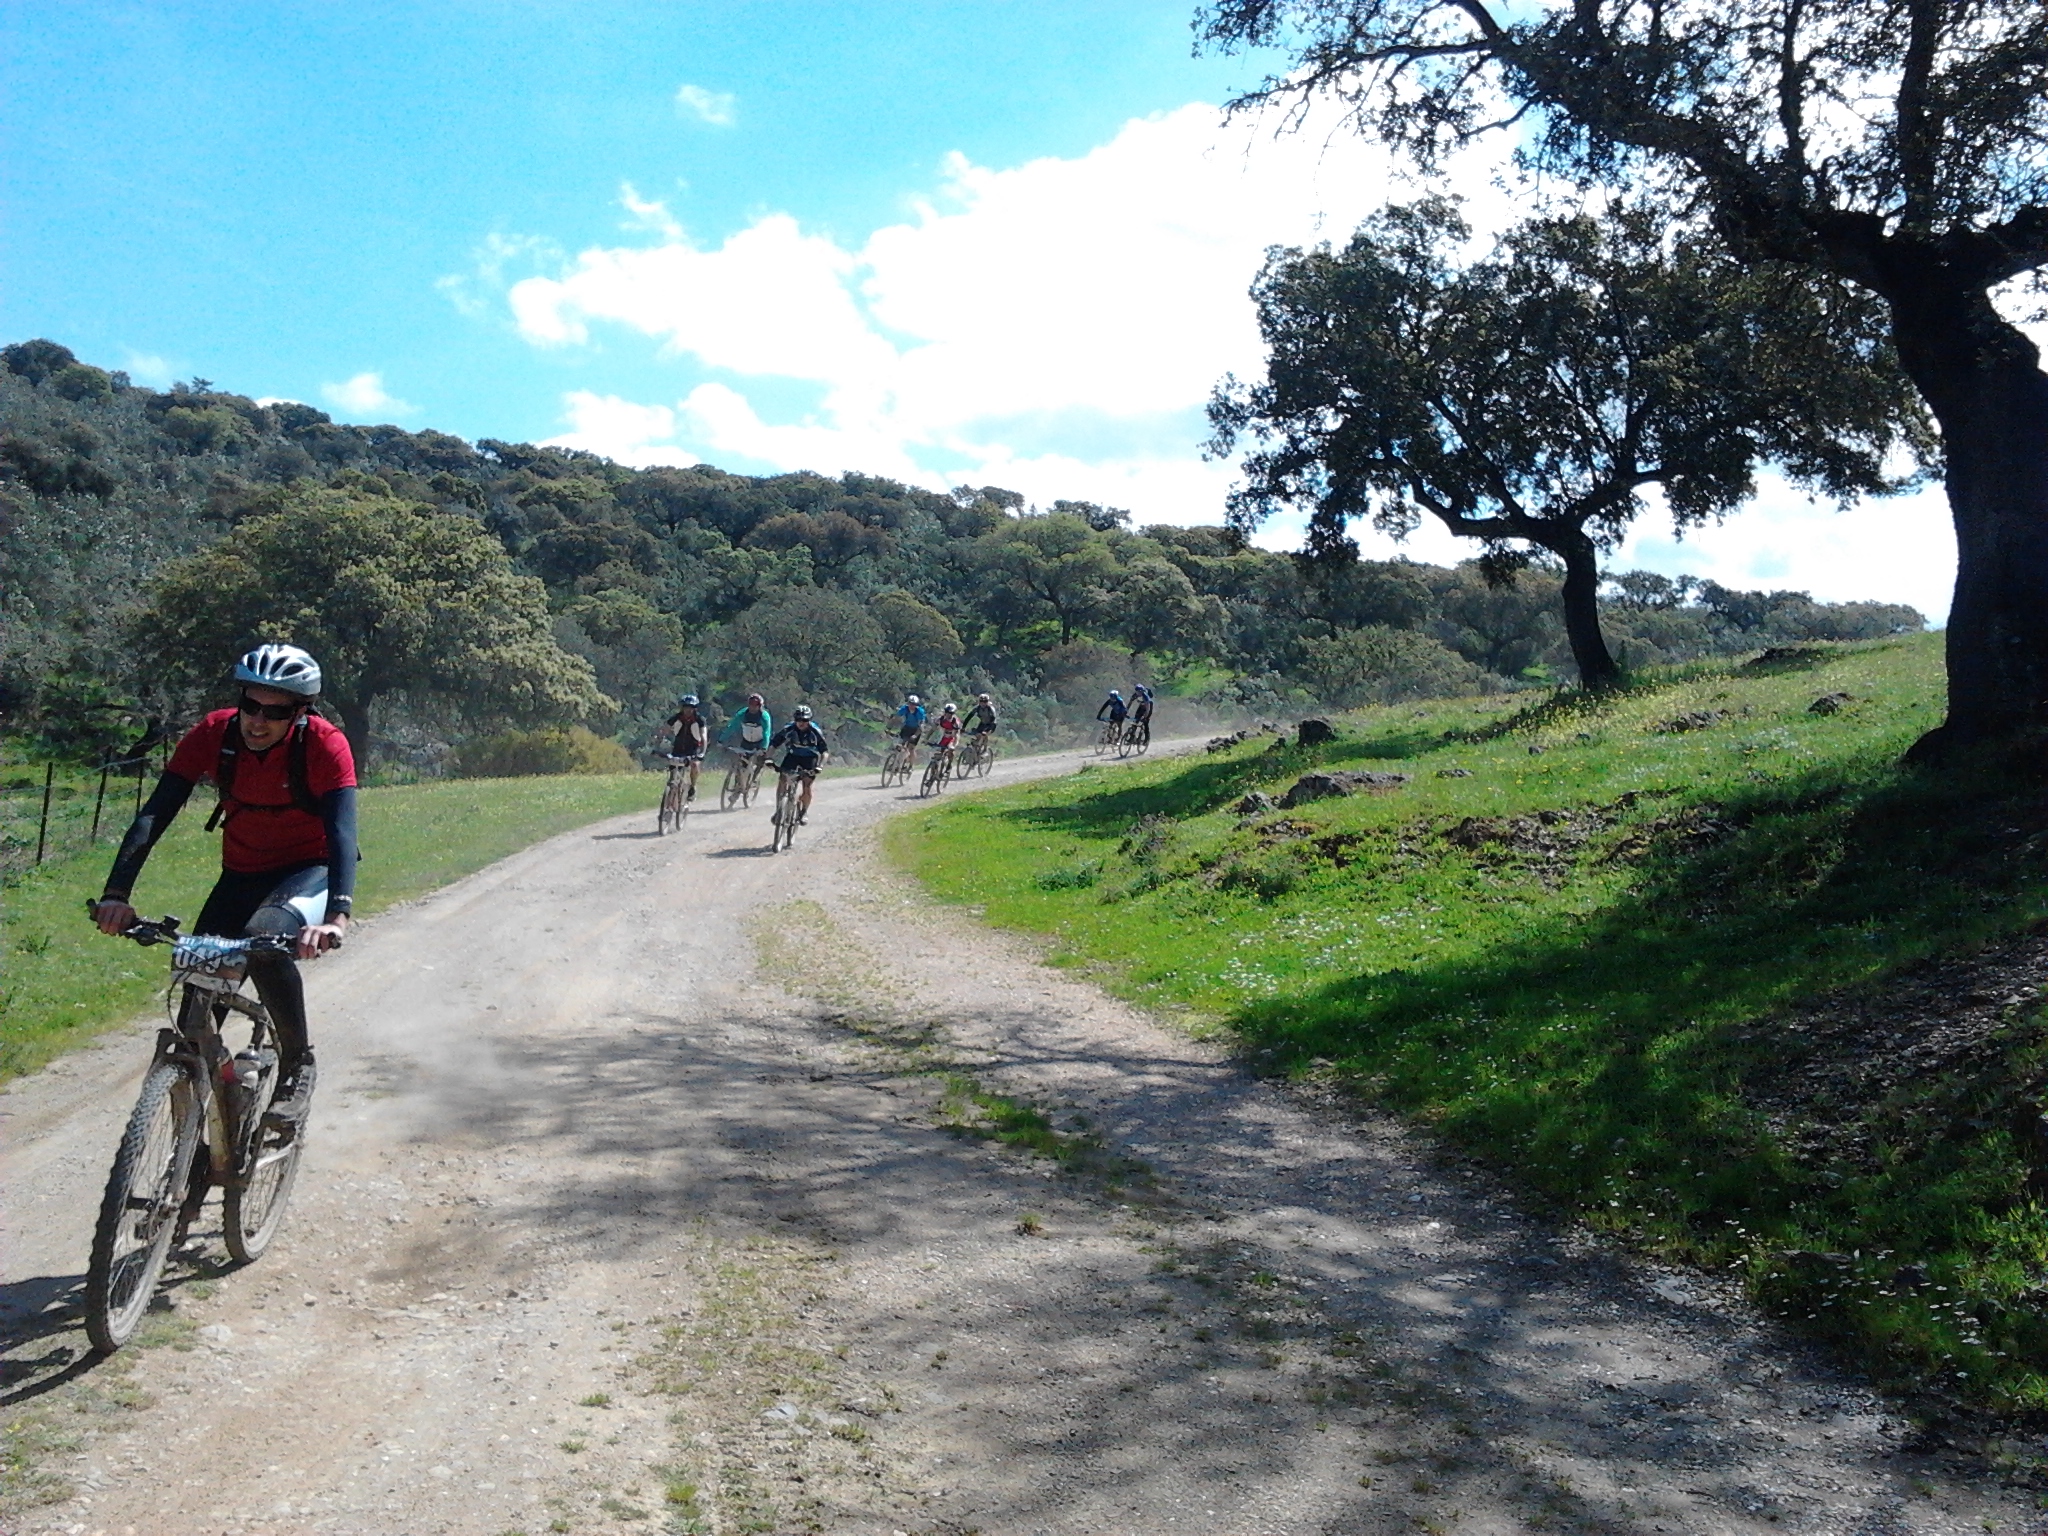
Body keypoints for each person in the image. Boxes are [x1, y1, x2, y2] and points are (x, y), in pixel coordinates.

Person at [91, 643, 355, 1109]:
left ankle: (297, 1064)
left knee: (264, 940)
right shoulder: (214, 732)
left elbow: (341, 834)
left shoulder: (324, 744)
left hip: (309, 871)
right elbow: (155, 814)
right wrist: (116, 894)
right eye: (250, 705)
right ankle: (201, 1124)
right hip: (241, 872)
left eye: (274, 712)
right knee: (198, 992)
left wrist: (336, 918)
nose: (257, 720)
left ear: (299, 713)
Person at [770, 705, 830, 824]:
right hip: (793, 756)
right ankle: (779, 810)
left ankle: (803, 811)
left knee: (807, 785)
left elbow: (825, 751)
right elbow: (774, 744)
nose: (801, 723)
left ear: (809, 720)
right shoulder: (789, 729)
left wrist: (820, 766)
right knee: (783, 778)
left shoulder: (815, 731)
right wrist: (768, 758)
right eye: (798, 720)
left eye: (805, 720)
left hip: (810, 758)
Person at [656, 695, 710, 801]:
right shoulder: (676, 718)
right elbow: (663, 731)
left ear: (695, 708)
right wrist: (657, 745)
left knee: (694, 765)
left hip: (693, 749)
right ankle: (670, 800)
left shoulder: (700, 720)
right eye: (685, 707)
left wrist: (702, 752)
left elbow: (703, 736)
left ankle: (693, 787)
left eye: (690, 707)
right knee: (673, 774)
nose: (688, 710)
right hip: (678, 748)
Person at [717, 692, 773, 761]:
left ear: (760, 706)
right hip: (746, 743)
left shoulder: (764, 717)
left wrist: (764, 748)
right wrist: (721, 740)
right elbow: (732, 727)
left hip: (759, 743)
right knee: (741, 763)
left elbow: (766, 733)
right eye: (751, 704)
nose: (752, 707)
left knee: (759, 762)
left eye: (755, 705)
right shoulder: (742, 714)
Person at [888, 693, 927, 769]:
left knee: (911, 748)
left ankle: (911, 766)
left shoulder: (920, 712)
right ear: (908, 703)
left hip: (916, 730)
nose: (912, 706)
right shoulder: (904, 709)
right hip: (907, 728)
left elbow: (921, 726)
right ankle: (895, 762)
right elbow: (895, 718)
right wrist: (889, 727)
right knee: (899, 745)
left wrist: (915, 735)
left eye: (914, 704)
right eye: (911, 704)